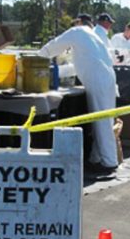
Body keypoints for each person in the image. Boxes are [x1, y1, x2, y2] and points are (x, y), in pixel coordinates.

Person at [38, 13, 120, 174]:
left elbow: (55, 45)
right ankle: (97, 159)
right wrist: (55, 72)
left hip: (98, 80)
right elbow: (77, 66)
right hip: (108, 79)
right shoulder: (93, 36)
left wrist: (36, 58)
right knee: (104, 122)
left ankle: (109, 163)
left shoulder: (78, 32)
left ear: (80, 22)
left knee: (102, 123)